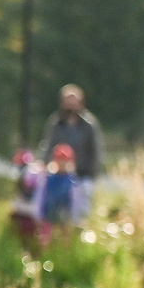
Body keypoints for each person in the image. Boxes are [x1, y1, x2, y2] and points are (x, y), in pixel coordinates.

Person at [38, 85, 103, 223]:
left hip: (82, 174)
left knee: (81, 209)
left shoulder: (88, 125)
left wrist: (92, 173)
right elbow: (48, 146)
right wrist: (45, 165)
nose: (71, 105)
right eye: (68, 101)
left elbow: (96, 151)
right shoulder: (56, 123)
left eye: (73, 102)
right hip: (59, 174)